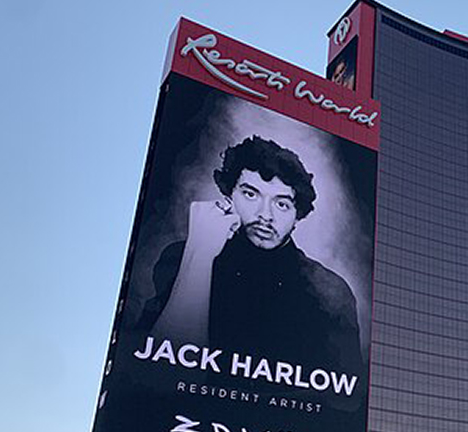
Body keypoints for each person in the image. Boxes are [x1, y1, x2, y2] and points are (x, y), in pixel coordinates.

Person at [142, 135, 363, 375]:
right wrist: (200, 256)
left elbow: (343, 398)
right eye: (250, 194)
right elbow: (159, 373)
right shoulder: (181, 256)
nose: (264, 215)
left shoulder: (330, 291)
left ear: (297, 215)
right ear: (229, 196)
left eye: (281, 204)